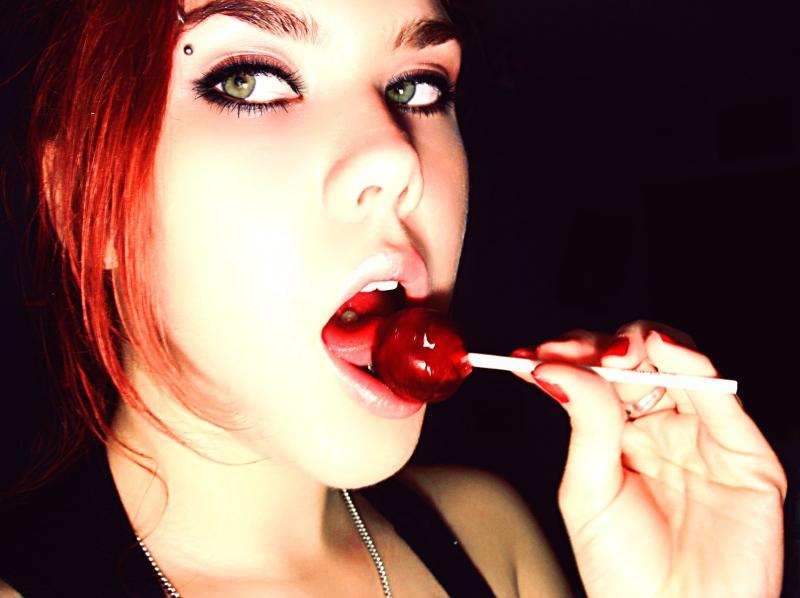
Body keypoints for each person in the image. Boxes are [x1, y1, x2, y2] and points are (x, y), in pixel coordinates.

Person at [0, 0, 787, 596]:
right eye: (251, 80)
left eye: (418, 87)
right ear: (78, 201)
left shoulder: (492, 542)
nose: (397, 155)